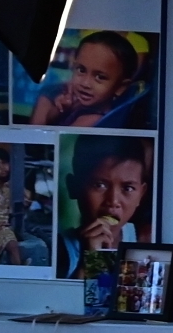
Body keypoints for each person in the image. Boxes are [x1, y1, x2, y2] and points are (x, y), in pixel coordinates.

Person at [59, 137, 151, 276]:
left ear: (141, 194)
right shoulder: (57, 249)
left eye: (128, 188)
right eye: (99, 185)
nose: (113, 201)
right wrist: (91, 260)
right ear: (73, 187)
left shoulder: (144, 240)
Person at [31, 31, 144, 128]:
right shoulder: (76, 102)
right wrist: (60, 110)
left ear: (121, 87)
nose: (85, 83)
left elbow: (55, 143)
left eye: (100, 77)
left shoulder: (92, 119)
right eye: (81, 70)